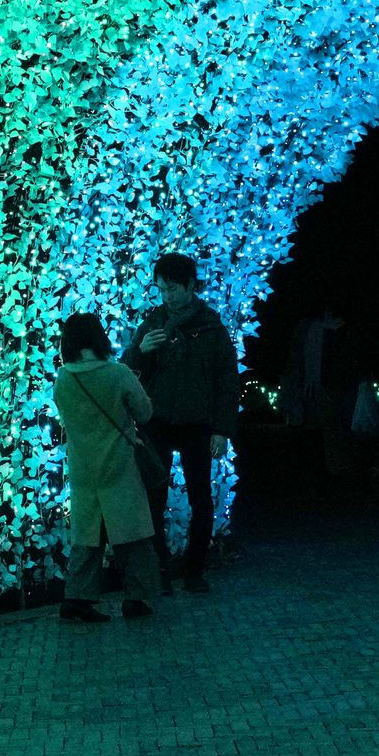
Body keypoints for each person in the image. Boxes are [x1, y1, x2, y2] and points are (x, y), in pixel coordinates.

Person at [122, 252, 238, 591]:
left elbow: (227, 381)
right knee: (154, 497)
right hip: (157, 420)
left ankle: (194, 569)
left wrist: (221, 430)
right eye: (161, 289)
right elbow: (127, 374)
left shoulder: (211, 327)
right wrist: (142, 350)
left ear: (190, 286)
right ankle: (159, 569)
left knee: (201, 497)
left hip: (196, 423)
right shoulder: (153, 323)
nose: (166, 296)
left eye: (172, 288)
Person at [50, 314, 158, 622]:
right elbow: (144, 412)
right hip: (119, 465)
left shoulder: (64, 379)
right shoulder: (118, 373)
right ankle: (136, 598)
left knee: (88, 537)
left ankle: (77, 599)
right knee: (133, 536)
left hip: (84, 468)